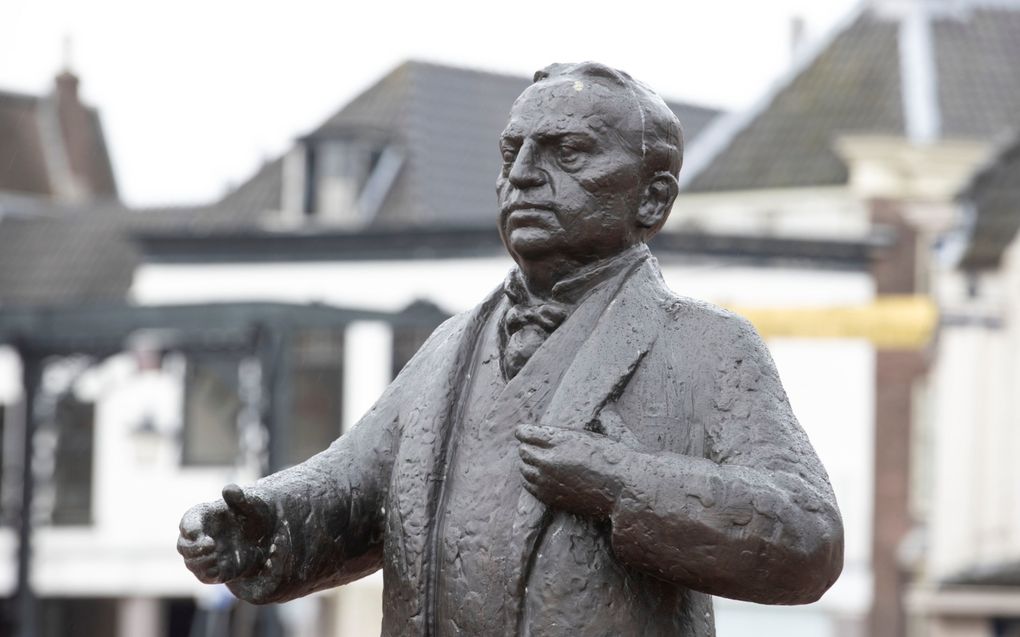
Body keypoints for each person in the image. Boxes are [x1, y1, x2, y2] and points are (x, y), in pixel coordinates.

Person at [178, 62, 843, 636]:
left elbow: (807, 536)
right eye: (511, 153)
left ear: (653, 199)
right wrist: (263, 523)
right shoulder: (448, 347)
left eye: (568, 152)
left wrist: (619, 483)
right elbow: (353, 485)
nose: (522, 175)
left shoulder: (706, 346)